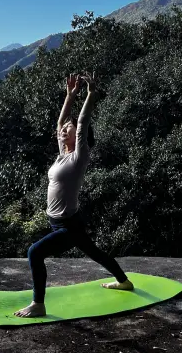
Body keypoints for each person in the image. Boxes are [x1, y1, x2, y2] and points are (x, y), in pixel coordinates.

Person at [14, 72, 133, 318]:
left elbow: (82, 122)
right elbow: (60, 124)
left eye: (69, 130)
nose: (63, 131)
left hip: (67, 225)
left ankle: (38, 304)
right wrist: (70, 95)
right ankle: (123, 281)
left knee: (34, 253)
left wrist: (90, 95)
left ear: (78, 136)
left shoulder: (79, 158)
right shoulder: (62, 155)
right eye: (65, 130)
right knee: (95, 252)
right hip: (60, 222)